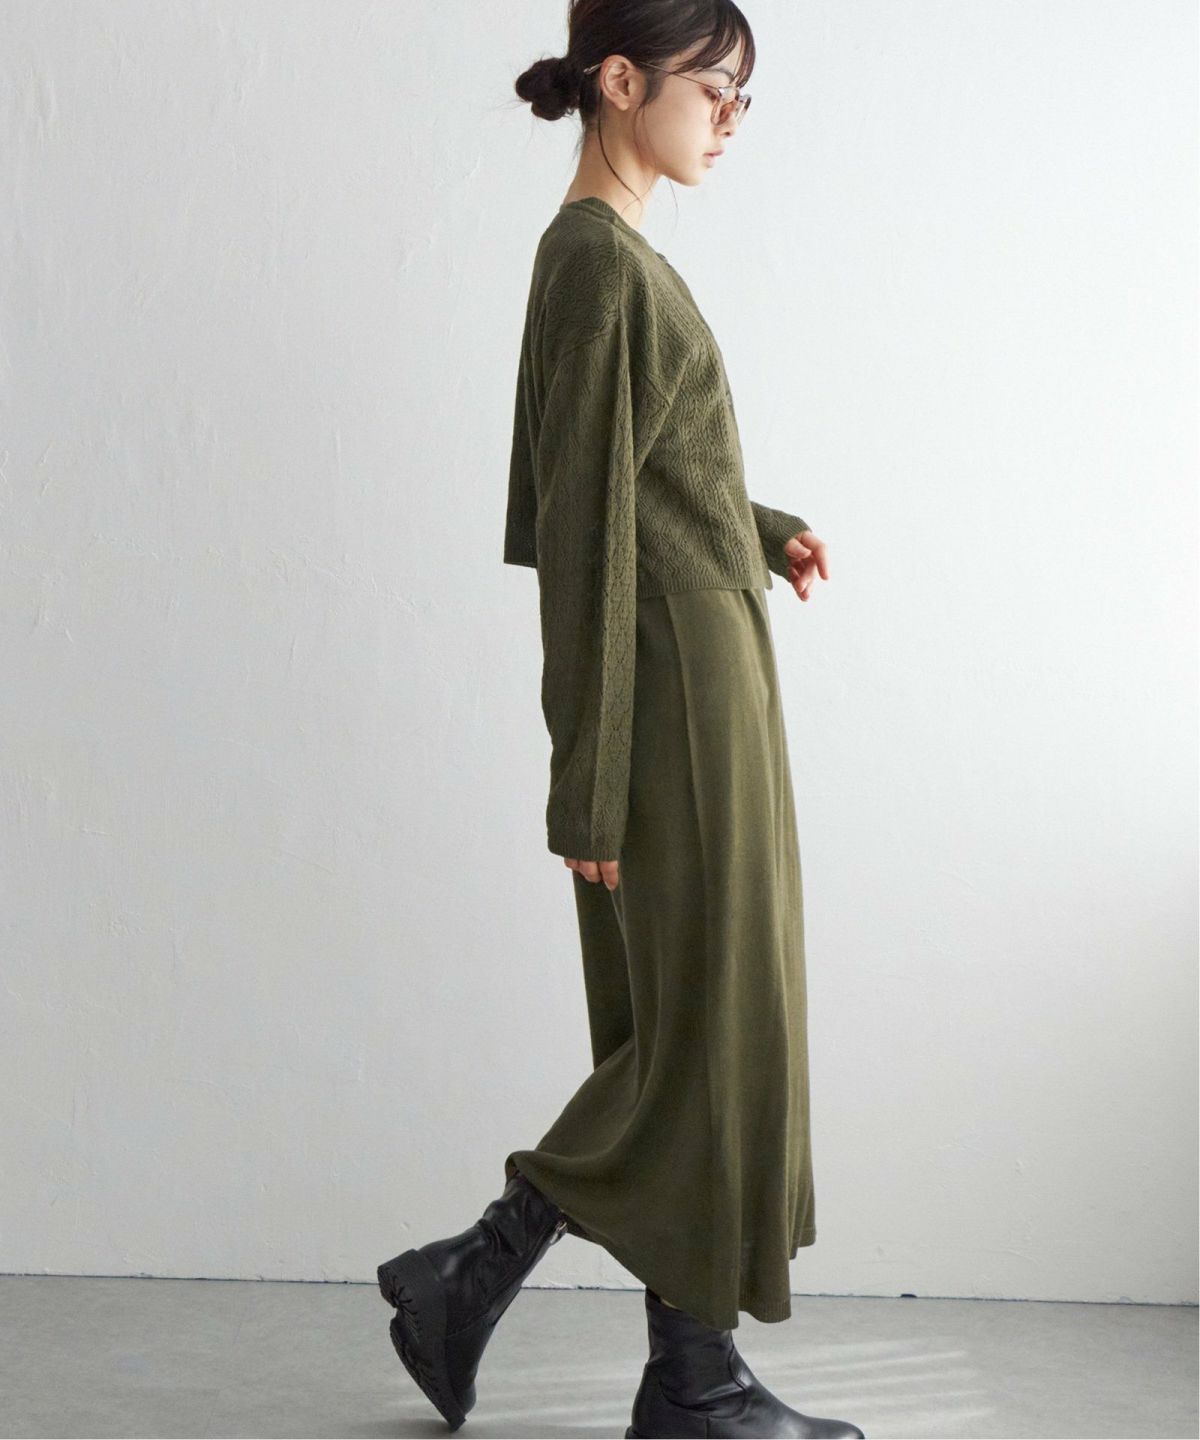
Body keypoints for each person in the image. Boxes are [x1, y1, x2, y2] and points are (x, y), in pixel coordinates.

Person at [377, 3, 863, 1437]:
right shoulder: (593, 260)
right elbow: (581, 531)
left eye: (744, 98)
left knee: (702, 1020)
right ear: (621, 78)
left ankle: (681, 1375)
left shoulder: (619, 255)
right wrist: (586, 783)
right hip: (668, 688)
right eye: (716, 89)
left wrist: (755, 527)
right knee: (701, 1030)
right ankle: (499, 1284)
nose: (730, 119)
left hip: (704, 661)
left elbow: (643, 473)